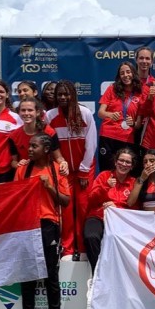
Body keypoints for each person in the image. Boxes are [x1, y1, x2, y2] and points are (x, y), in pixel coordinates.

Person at [13, 134, 70, 309]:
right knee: (28, 275)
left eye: (34, 146)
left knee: (51, 276)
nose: (29, 149)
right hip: (27, 226)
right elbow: (13, 198)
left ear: (46, 149)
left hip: (49, 225)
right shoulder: (22, 169)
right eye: (29, 145)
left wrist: (49, 187)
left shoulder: (57, 170)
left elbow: (65, 201)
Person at [46, 80, 97, 258]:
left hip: (85, 168)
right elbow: (50, 145)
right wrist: (59, 165)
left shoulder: (85, 114)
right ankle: (67, 249)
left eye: (66, 94)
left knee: (83, 207)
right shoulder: (50, 116)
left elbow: (91, 144)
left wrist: (84, 170)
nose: (63, 97)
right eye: (60, 94)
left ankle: (82, 249)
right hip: (64, 170)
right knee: (66, 210)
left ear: (73, 95)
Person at [84, 148, 137, 273]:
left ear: (132, 166)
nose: (123, 164)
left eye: (127, 162)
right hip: (98, 216)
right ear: (115, 162)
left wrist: (117, 208)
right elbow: (91, 200)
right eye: (121, 160)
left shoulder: (133, 183)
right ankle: (98, 273)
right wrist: (105, 187)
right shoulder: (104, 176)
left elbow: (136, 208)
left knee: (119, 239)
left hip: (121, 221)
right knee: (90, 236)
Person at [97, 61, 144, 171]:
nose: (125, 75)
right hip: (108, 135)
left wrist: (132, 123)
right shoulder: (112, 89)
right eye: (122, 73)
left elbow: (138, 125)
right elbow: (100, 113)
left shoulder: (140, 93)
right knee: (107, 170)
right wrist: (110, 114)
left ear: (133, 73)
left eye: (128, 72)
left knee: (124, 171)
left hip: (127, 137)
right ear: (119, 76)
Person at [8, 97, 67, 173]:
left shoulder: (49, 132)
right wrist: (18, 164)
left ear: (38, 112)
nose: (26, 113)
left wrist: (63, 163)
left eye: (30, 110)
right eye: (23, 110)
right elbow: (13, 162)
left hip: (47, 174)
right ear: (19, 112)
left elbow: (58, 157)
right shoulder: (14, 136)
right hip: (26, 176)